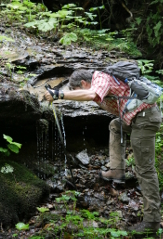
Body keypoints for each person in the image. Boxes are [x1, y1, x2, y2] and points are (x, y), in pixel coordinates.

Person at [44, 69, 162, 236]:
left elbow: (92, 94)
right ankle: (117, 170)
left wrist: (58, 94)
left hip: (145, 118)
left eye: (79, 91)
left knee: (144, 170)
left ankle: (152, 221)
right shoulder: (102, 83)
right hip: (137, 117)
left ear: (83, 84)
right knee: (115, 125)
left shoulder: (100, 78)